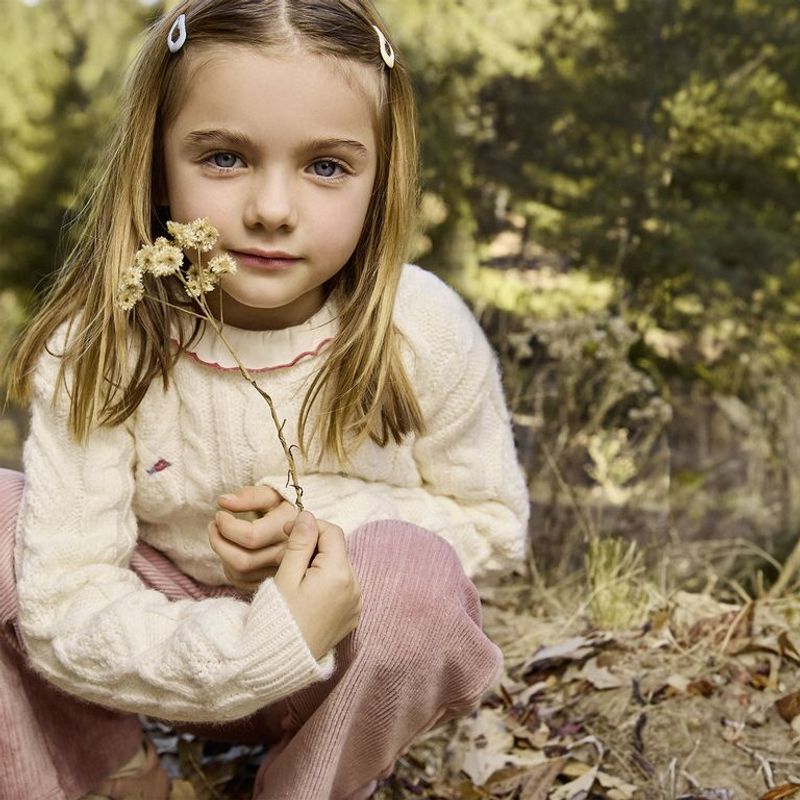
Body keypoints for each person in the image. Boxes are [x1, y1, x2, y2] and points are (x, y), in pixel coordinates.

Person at [0, 1, 530, 798]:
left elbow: (494, 526)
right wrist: (250, 650)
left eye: (326, 167)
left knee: (415, 579)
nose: (272, 209)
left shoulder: (421, 330)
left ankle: (303, 787)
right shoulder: (101, 341)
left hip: (332, 671)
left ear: (380, 176)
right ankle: (116, 778)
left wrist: (315, 525)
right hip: (151, 649)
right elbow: (65, 602)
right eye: (223, 158)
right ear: (155, 163)